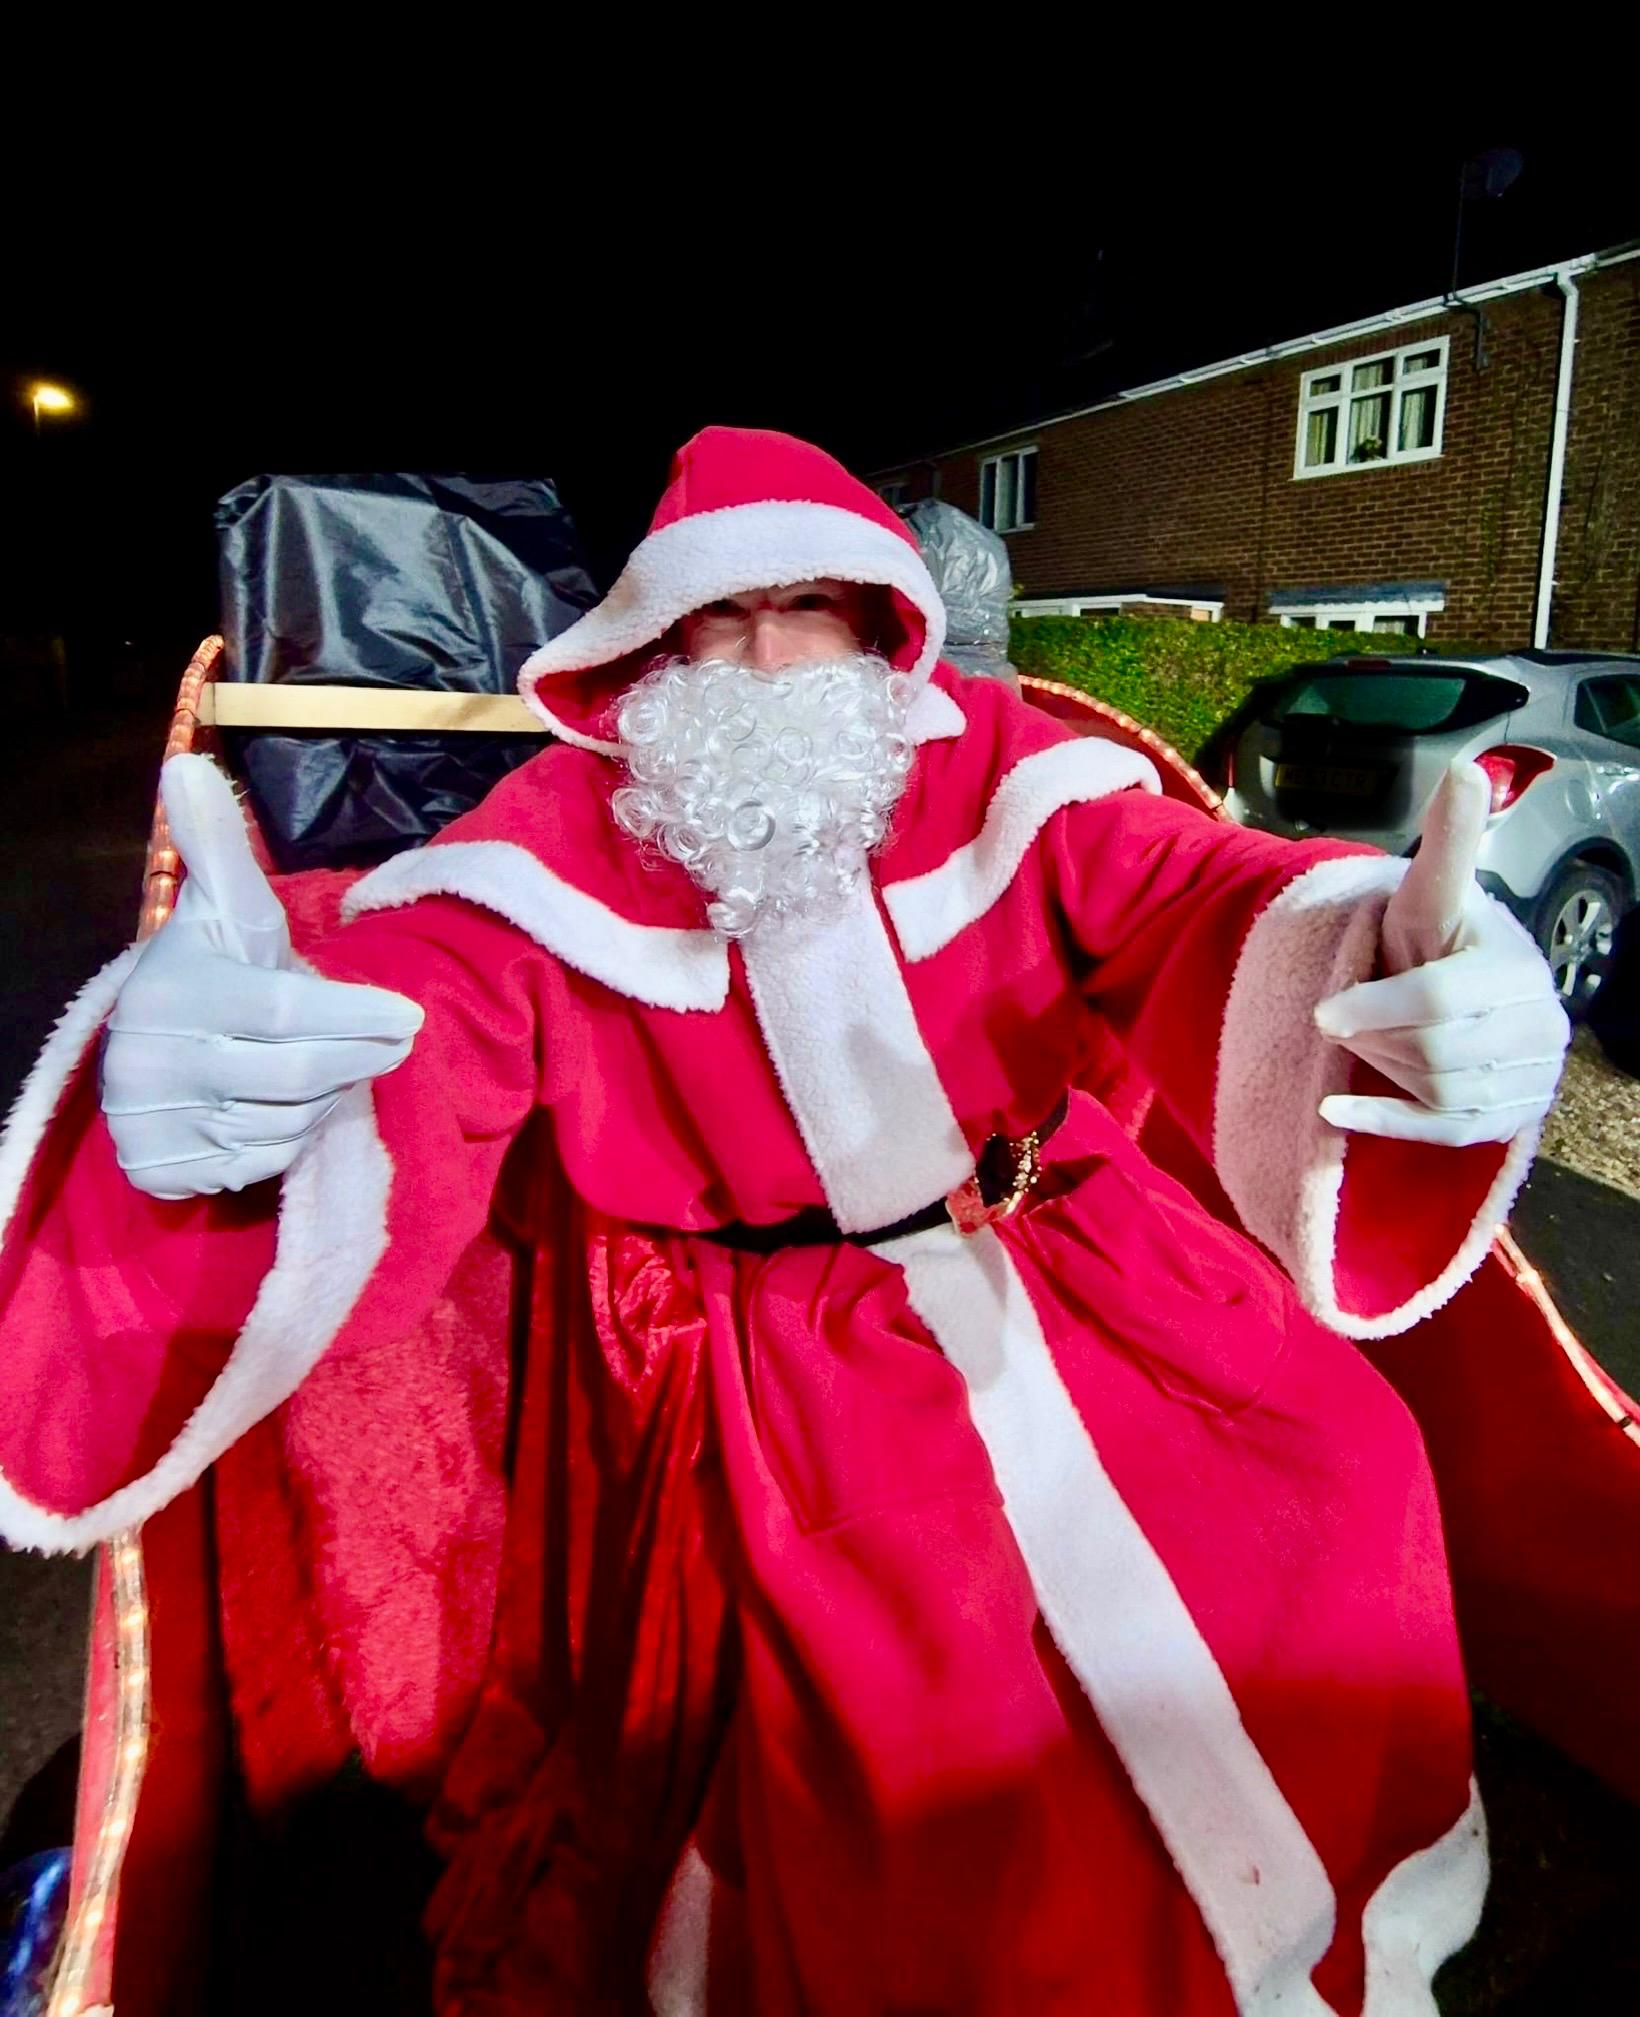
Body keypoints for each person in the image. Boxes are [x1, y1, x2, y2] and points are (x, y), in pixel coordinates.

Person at [0, 427, 1570, 2014]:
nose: (764, 658)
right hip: (780, 1362)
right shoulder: (561, 834)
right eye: (722, 618)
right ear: (654, 647)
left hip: (1078, 1261)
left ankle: (1339, 1921)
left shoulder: (1000, 765)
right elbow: (420, 1009)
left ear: (880, 624)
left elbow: (1197, 891)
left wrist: (1388, 965)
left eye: (807, 607)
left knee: (1343, 1467)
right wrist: (250, 1097)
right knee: (938, 1721)